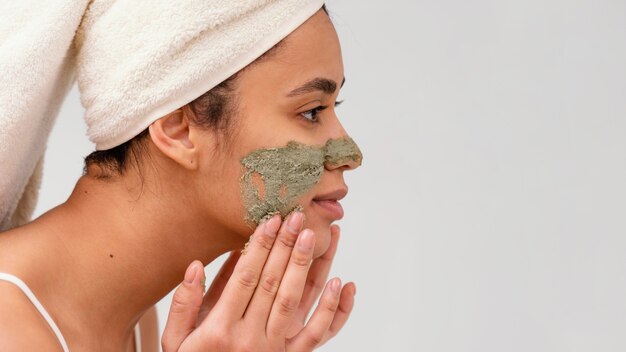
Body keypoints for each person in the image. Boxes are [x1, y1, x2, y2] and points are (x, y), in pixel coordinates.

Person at [0, 2, 361, 351]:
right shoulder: (9, 328)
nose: (351, 155)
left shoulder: (133, 325)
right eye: (312, 111)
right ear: (178, 130)